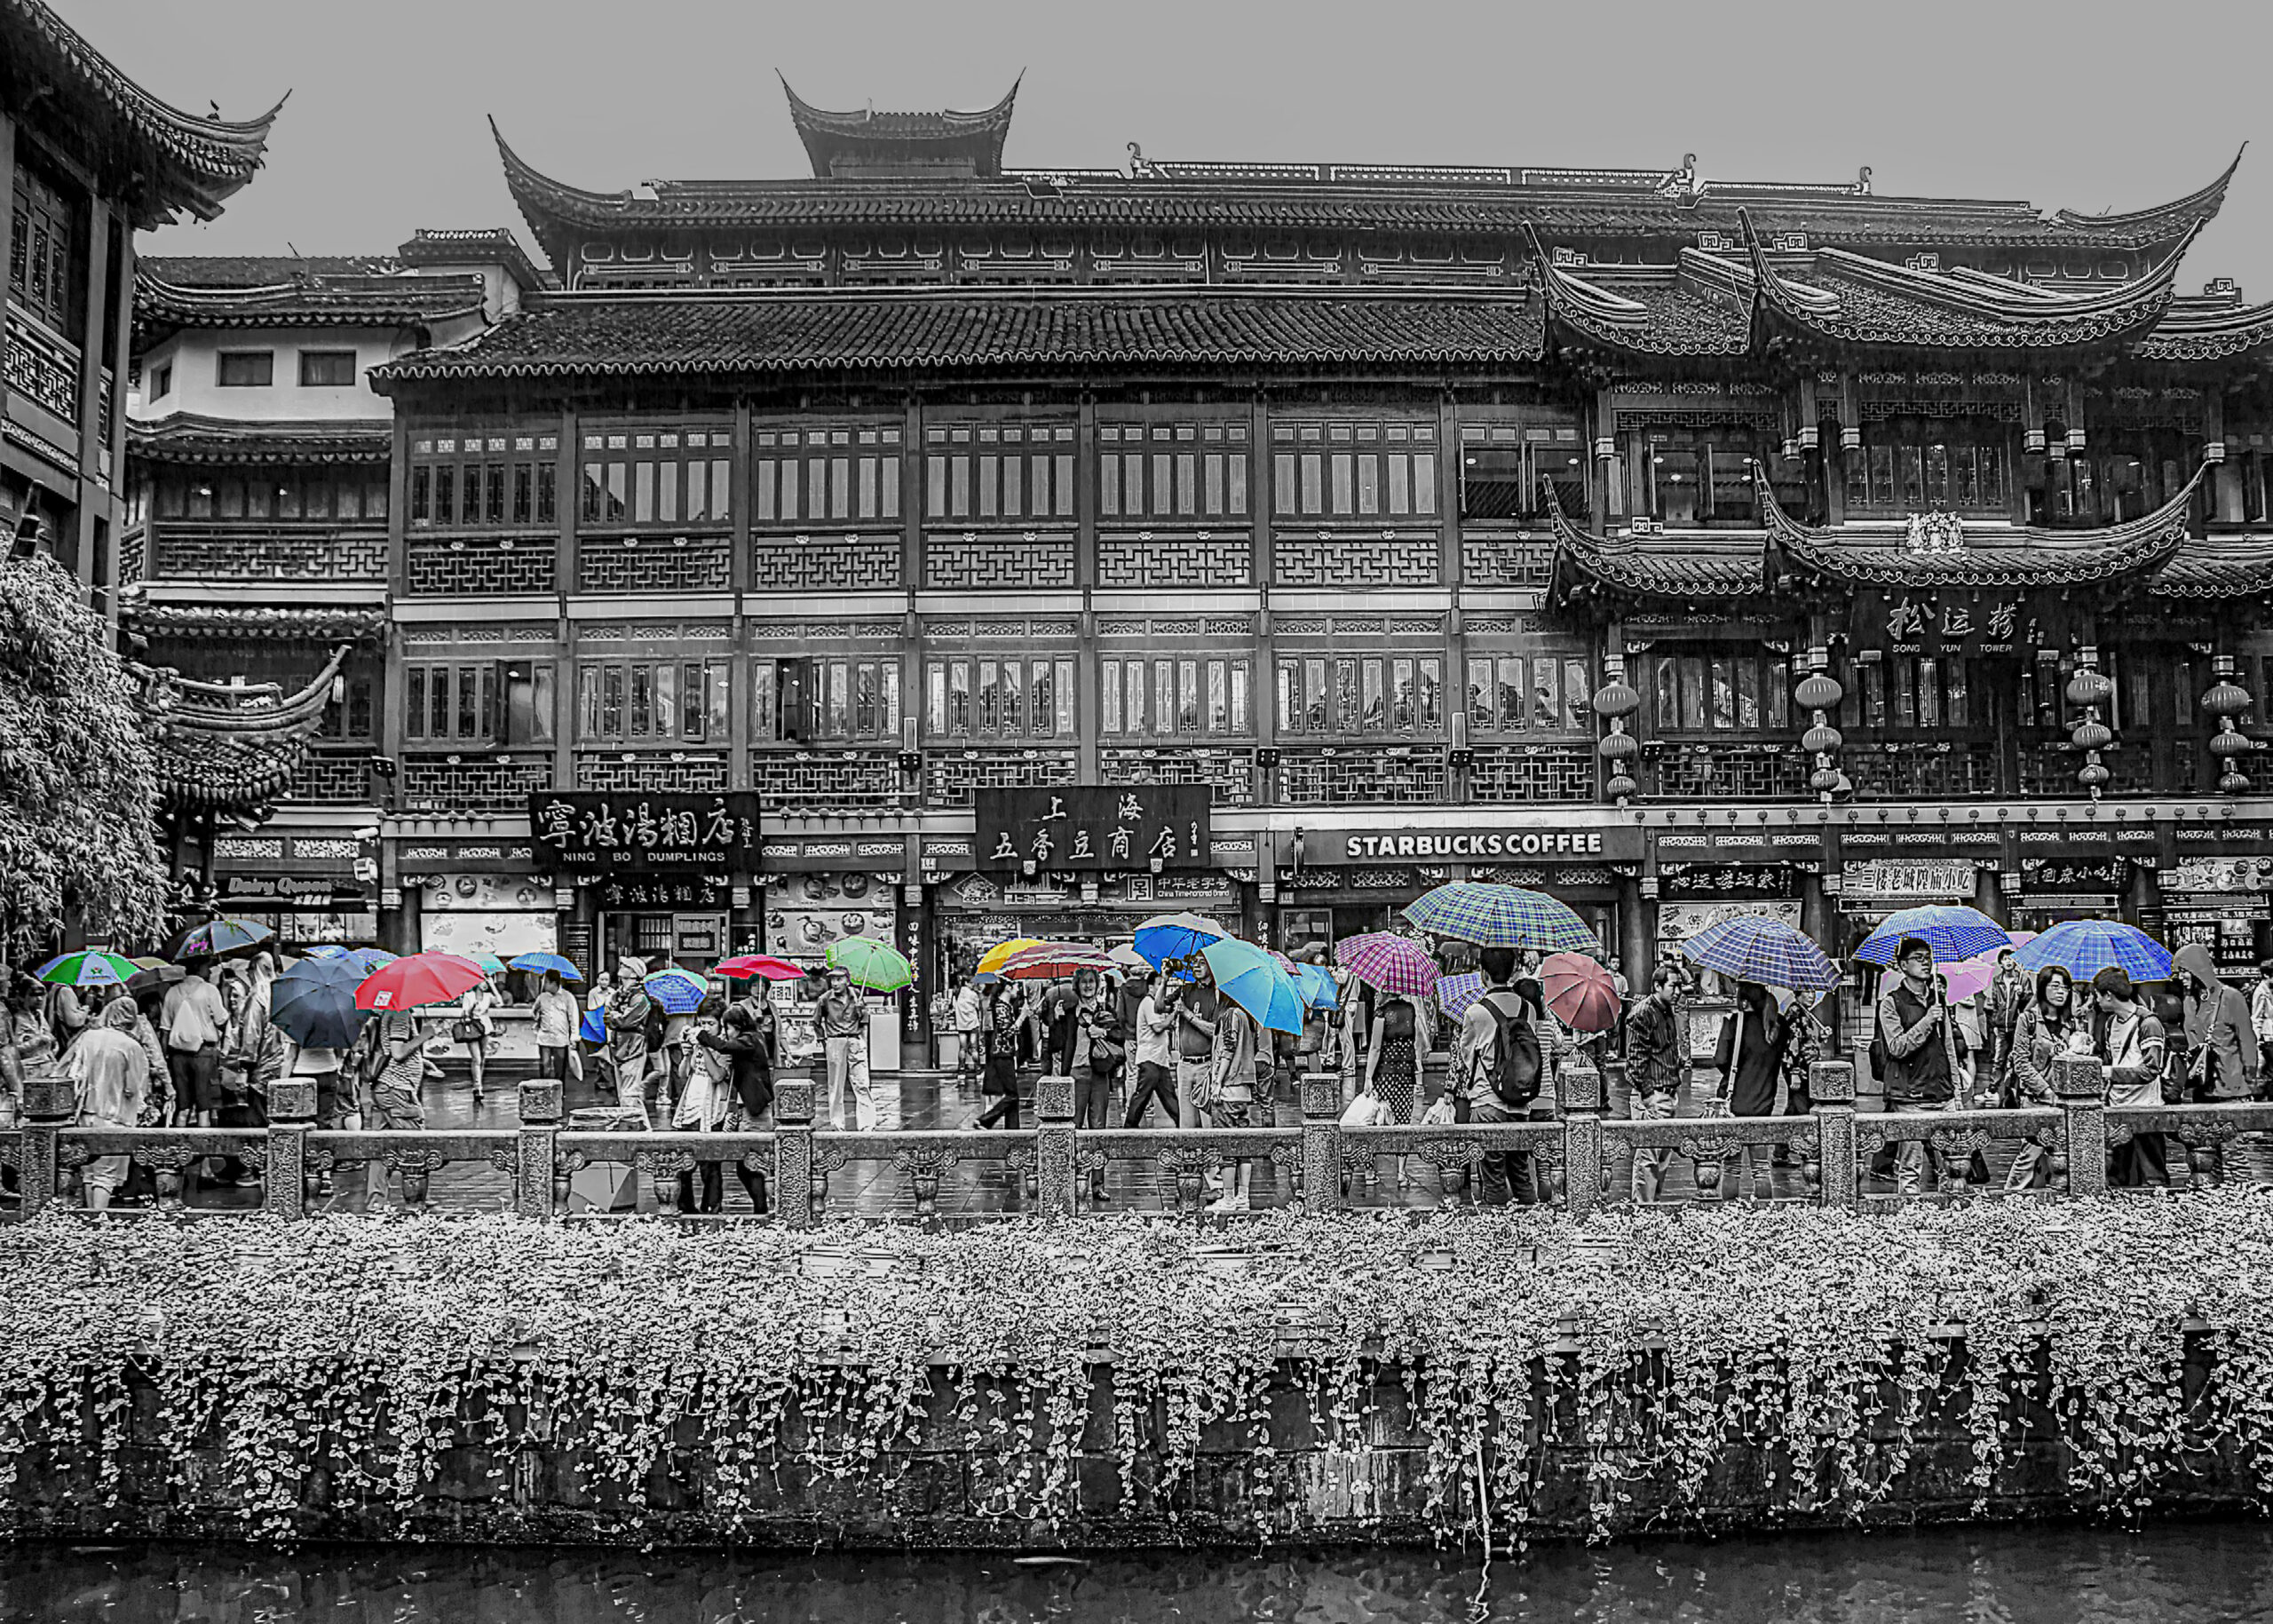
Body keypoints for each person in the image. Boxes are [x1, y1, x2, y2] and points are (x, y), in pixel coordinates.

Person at [1875, 938, 1969, 1198]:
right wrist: (1928, 1020)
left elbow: (1948, 1047)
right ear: (1903, 965)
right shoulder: (1892, 1002)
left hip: (1942, 1091)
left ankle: (1950, 1217)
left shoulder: (1938, 1000)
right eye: (1918, 957)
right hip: (1910, 1094)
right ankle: (1910, 1217)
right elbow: (1896, 1046)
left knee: (1952, 1163)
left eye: (1928, 957)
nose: (1926, 962)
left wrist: (1956, 1091)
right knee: (1910, 1166)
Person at [1457, 947, 1540, 1208]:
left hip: (1487, 1102)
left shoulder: (1475, 1013)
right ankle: (1531, 1231)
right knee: (1521, 1174)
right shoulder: (1529, 1009)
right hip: (1521, 1103)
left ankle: (1497, 1237)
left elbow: (1466, 1057)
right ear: (1514, 969)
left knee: (1492, 1178)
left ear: (1483, 974)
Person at [1709, 982, 1792, 1201]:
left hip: (1735, 1103)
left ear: (1743, 999)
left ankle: (1731, 1212)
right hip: (1764, 1102)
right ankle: (1763, 1212)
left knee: (1732, 1168)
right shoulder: (1778, 1026)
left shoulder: (1736, 1023)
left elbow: (1720, 1060)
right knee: (1761, 1168)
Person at [2003, 965, 2081, 1193]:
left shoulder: (2071, 1023)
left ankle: (2055, 1197)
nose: (2061, 992)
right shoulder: (2028, 1020)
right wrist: (2046, 1091)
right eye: (2055, 986)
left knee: (2060, 1154)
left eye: (2065, 987)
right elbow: (2021, 1062)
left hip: (2065, 1100)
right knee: (2030, 1153)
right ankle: (2012, 1196)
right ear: (2042, 988)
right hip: (2036, 1099)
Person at [68, 1000, 149, 1211]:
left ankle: (87, 1217)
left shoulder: (87, 1038)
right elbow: (134, 1088)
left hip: (85, 1113)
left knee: (89, 1170)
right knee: (106, 1174)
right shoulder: (131, 1046)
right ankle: (98, 1221)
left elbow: (73, 1072)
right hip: (116, 1116)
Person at [2093, 966, 2169, 1189]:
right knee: (2118, 1176)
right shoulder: (2109, 1024)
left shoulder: (2148, 1024)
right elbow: (2112, 1057)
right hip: (2118, 1107)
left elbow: (2150, 1070)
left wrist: (2111, 1073)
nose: (2096, 1001)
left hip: (2146, 1107)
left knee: (2152, 1175)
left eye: (2097, 995)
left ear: (2108, 995)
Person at [697, 1000, 774, 1213]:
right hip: (746, 1110)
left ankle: (762, 1209)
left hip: (754, 1111)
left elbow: (723, 1046)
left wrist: (702, 1037)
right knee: (747, 1165)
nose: (726, 1032)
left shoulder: (749, 1040)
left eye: (727, 1028)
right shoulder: (753, 1038)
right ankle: (761, 1208)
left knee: (750, 1165)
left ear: (737, 1027)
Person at [1623, 964, 1689, 1203]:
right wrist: (1648, 1094)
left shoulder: (1667, 1010)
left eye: (1680, 985)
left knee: (1662, 1157)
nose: (1678, 991)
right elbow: (1635, 1059)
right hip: (1653, 1095)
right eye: (1673, 985)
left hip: (1668, 1089)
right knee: (1647, 1157)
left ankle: (1654, 1204)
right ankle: (1643, 1208)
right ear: (1658, 986)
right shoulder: (1643, 1013)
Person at [2174, 942, 2259, 1107]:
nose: (2180, 977)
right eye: (2179, 972)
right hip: (2199, 1087)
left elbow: (2247, 1041)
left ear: (2198, 970)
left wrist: (2250, 1079)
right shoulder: (2189, 1002)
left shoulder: (2232, 997)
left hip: (2231, 1087)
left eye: (2184, 971)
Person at [161, 959, 229, 1129]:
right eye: (208, 967)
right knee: (203, 1105)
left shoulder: (172, 992)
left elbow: (165, 1030)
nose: (211, 971)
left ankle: (178, 1147)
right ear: (199, 967)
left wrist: (165, 1059)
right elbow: (222, 1019)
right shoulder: (210, 990)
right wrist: (225, 996)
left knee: (183, 1105)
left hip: (177, 1055)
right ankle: (203, 1149)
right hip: (204, 1053)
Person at [1071, 969, 1121, 1201]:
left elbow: (1120, 1037)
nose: (1088, 986)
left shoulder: (1105, 1011)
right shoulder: (1071, 1012)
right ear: (1077, 986)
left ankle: (1097, 1184)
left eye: (1092, 982)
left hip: (1099, 1074)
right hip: (1077, 1073)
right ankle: (1074, 1179)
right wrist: (1056, 1017)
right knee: (1075, 1127)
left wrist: (1103, 1032)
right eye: (1084, 982)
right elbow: (1058, 1040)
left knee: (1098, 1128)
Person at [1208, 996, 1259, 1211]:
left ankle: (1228, 1197)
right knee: (1243, 1146)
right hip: (1244, 1090)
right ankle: (1243, 1197)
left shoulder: (1230, 1015)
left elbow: (1227, 1049)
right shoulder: (1248, 1018)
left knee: (1227, 1146)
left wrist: (1217, 1081)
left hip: (1228, 1088)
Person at [816, 967, 875, 1131]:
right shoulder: (825, 999)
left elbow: (864, 1021)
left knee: (862, 1083)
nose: (835, 983)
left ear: (847, 980)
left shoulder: (857, 996)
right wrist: (823, 1041)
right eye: (833, 979)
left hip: (855, 1040)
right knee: (835, 1086)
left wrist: (860, 1010)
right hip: (835, 1041)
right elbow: (816, 1022)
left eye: (839, 979)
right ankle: (837, 1124)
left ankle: (867, 1125)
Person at [1123, 971, 1177, 1128]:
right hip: (1149, 1059)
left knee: (1169, 1097)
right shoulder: (1148, 1003)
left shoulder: (1157, 1005)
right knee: (1142, 1095)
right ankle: (1129, 1126)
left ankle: (1182, 1124)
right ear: (1151, 987)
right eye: (1159, 984)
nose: (1162, 988)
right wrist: (1174, 1014)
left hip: (1160, 1059)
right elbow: (1158, 1027)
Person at [1168, 967, 1219, 1130]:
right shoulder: (1185, 989)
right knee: (1186, 1122)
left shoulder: (1216, 994)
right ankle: (1189, 1154)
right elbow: (1159, 1006)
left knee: (1207, 1120)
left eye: (1201, 962)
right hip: (1184, 1064)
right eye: (1194, 962)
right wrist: (1163, 980)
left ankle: (1211, 1153)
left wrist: (1188, 1014)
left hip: (1206, 1064)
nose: (1196, 966)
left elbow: (1215, 1031)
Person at [604, 961, 653, 1123]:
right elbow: (607, 1015)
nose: (621, 969)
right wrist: (615, 1015)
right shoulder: (618, 995)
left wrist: (615, 1016)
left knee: (629, 1095)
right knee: (625, 1095)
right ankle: (641, 1126)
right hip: (618, 1047)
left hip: (633, 1048)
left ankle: (636, 1128)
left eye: (626, 967)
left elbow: (625, 1021)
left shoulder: (641, 999)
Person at [1987, 949, 2032, 1102]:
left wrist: (2023, 994)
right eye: (2005, 959)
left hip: (2016, 1025)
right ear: (2000, 963)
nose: (2008, 961)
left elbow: (2030, 1004)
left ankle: (2012, 1088)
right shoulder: (1997, 980)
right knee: (1999, 1059)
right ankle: (1993, 1088)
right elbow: (1994, 1002)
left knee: (2017, 1058)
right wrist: (1994, 1022)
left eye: (2010, 959)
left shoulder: (2022, 980)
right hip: (2001, 1026)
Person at [977, 984, 1024, 1129]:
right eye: (1016, 986)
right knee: (1012, 1095)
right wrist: (1022, 1018)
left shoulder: (1006, 1006)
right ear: (1008, 987)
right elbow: (1006, 1032)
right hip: (1002, 1053)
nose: (1018, 990)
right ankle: (986, 1119)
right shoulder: (1001, 1007)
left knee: (1013, 1096)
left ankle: (1013, 1130)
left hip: (1005, 1053)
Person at [458, 971, 502, 1105]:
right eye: (483, 981)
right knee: (476, 1058)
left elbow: (500, 1003)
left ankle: (478, 1083)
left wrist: (492, 986)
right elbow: (464, 1012)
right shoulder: (469, 996)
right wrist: (473, 1007)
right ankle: (478, 1087)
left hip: (485, 1027)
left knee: (482, 1058)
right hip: (472, 1027)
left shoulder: (488, 996)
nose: (485, 984)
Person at [530, 970, 579, 1085]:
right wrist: (536, 1015)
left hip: (561, 1037)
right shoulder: (542, 997)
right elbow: (533, 1012)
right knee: (544, 1066)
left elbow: (573, 1018)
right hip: (544, 1036)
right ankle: (544, 1091)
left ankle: (559, 1093)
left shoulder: (567, 997)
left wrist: (574, 1037)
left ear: (554, 983)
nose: (544, 985)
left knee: (559, 1068)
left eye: (546, 982)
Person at [952, 972, 983, 1087]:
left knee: (962, 1048)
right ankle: (978, 1070)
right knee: (974, 1048)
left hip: (961, 1024)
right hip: (972, 1024)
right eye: (972, 983)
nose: (973, 984)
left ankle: (961, 1071)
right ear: (967, 983)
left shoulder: (957, 993)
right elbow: (978, 1008)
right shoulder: (973, 995)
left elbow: (953, 1006)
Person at [2252, 960, 2273, 1086]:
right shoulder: (2261, 992)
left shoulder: (2270, 990)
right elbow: (2257, 1017)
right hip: (2268, 1036)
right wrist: (2257, 1038)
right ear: (2266, 975)